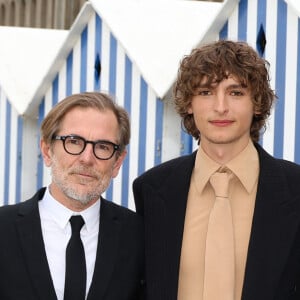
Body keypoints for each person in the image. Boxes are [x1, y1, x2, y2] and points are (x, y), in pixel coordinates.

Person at [133, 40, 300, 300]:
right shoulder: (152, 189)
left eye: (235, 92)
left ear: (257, 102)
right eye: (205, 92)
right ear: (189, 103)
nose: (220, 107)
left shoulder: (295, 189)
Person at [0, 92, 144, 300]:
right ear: (47, 151)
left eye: (103, 147)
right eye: (74, 141)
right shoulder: (3, 229)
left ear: (118, 162)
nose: (87, 158)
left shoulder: (138, 236)